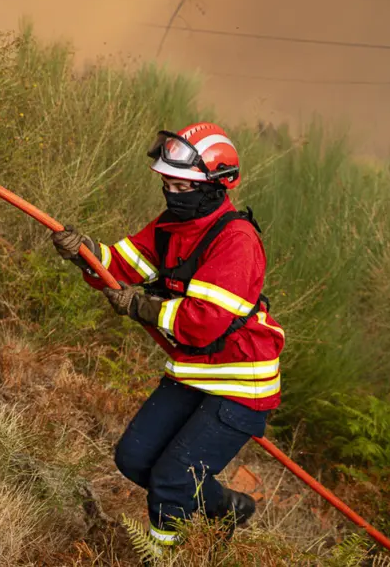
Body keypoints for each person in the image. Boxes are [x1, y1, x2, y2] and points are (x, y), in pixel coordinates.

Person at [52, 123, 285, 554]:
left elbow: (204, 321)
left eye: (183, 184)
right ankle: (225, 508)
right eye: (168, 183)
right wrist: (84, 253)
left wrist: (142, 307)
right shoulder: (171, 225)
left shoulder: (236, 240)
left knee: (173, 478)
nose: (173, 192)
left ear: (218, 185)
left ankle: (162, 555)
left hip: (240, 382)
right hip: (193, 369)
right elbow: (120, 267)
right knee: (136, 459)